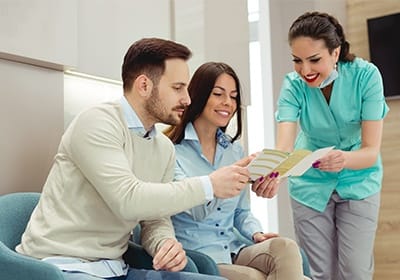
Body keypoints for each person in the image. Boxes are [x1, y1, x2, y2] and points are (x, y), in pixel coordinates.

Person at [15, 38, 256, 280]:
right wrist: (210, 185)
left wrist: (164, 244)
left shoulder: (163, 147)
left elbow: (155, 218)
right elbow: (128, 199)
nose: (188, 99)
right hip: (61, 267)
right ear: (144, 85)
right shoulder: (97, 123)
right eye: (177, 88)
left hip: (116, 268)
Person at [274, 11, 389, 280]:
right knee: (318, 274)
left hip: (359, 178)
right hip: (309, 183)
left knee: (355, 272)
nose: (305, 71)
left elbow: (371, 151)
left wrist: (344, 160)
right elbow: (284, 146)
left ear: (335, 53)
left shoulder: (366, 76)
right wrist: (270, 170)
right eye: (297, 61)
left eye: (314, 60)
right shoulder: (293, 85)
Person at [165, 62, 308, 280]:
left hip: (234, 247)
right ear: (199, 95)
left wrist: (256, 233)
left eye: (233, 96)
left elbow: (241, 212)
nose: (227, 103)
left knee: (286, 247)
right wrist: (222, 180)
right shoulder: (172, 152)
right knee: (254, 278)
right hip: (199, 255)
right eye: (218, 94)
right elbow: (195, 210)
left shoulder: (234, 150)